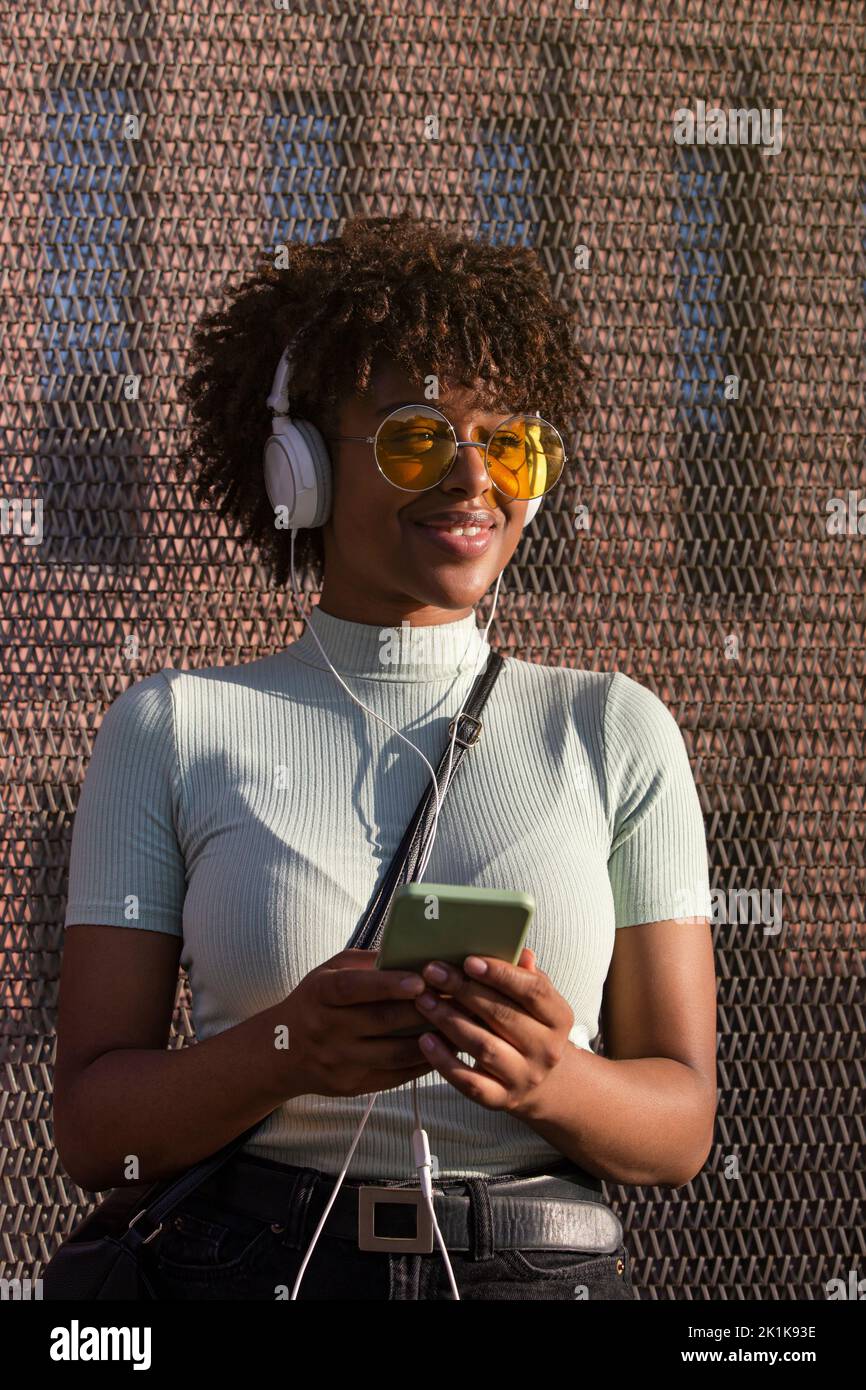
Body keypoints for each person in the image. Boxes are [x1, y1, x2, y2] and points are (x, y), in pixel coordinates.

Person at [53, 212, 717, 1301]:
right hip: (252, 1268)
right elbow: (93, 1132)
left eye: (506, 442)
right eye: (416, 437)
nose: (473, 480)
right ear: (299, 467)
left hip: (534, 1272)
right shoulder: (171, 726)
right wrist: (286, 1052)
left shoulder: (614, 729)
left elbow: (679, 1131)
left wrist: (552, 1078)